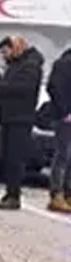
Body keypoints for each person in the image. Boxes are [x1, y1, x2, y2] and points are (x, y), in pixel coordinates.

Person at [0, 35, 45, 210]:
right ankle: (9, 192)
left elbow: (23, 89)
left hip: (20, 118)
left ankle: (14, 195)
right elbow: (8, 88)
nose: (4, 56)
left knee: (15, 158)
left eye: (6, 52)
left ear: (16, 48)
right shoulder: (15, 66)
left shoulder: (31, 66)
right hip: (9, 117)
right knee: (8, 156)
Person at [45, 45, 71, 213]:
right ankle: (57, 193)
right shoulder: (63, 64)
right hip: (65, 117)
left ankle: (68, 192)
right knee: (62, 155)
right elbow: (54, 88)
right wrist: (65, 111)